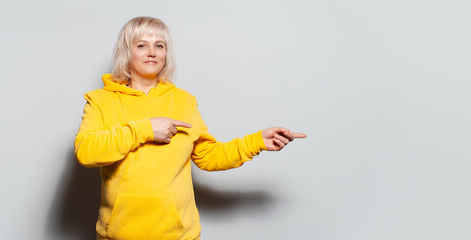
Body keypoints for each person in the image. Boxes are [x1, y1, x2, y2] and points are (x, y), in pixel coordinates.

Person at [74, 16, 307, 240]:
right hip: (119, 233)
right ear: (126, 52)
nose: (152, 52)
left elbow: (208, 156)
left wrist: (257, 141)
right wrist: (145, 130)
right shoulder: (101, 100)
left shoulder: (185, 101)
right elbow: (86, 151)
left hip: (179, 234)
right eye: (142, 45)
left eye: (160, 45)